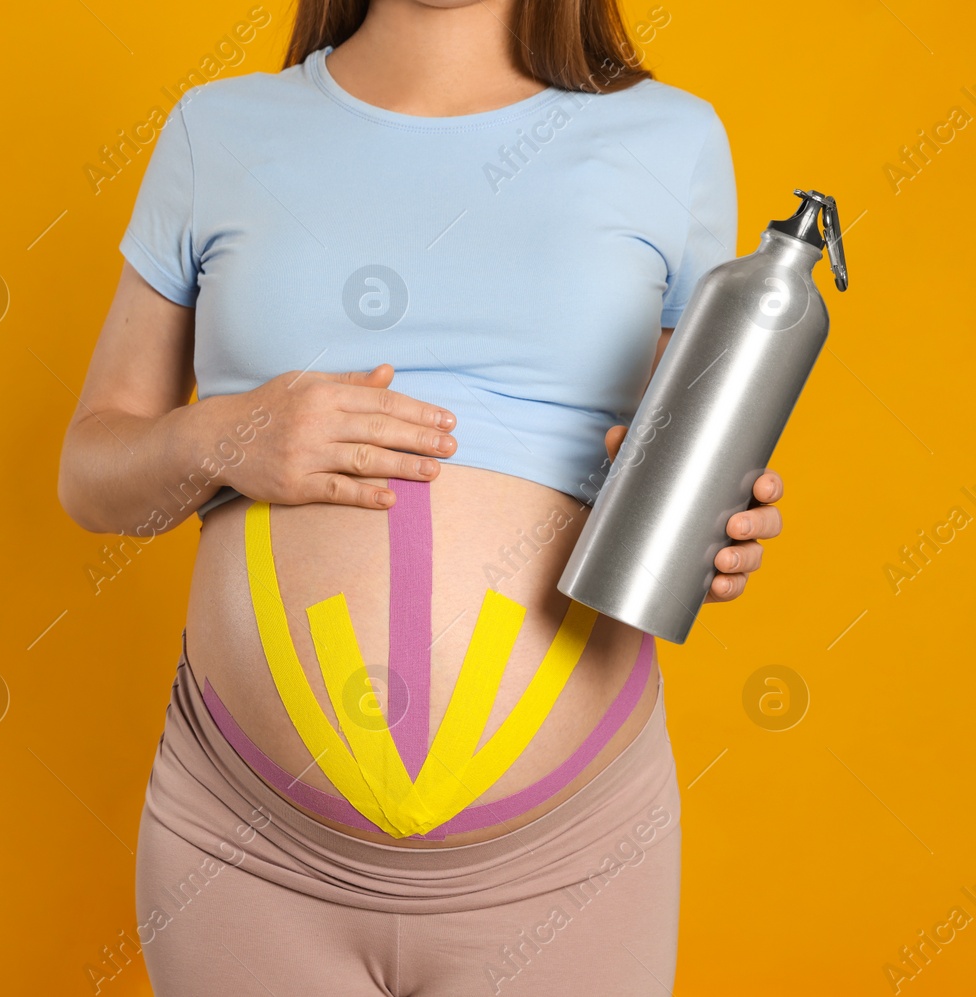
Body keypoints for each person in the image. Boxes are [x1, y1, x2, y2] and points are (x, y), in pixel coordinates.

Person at [57, 0, 783, 993]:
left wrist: (716, 528)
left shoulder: (670, 138)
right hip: (246, 848)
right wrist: (225, 435)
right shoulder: (217, 130)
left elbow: (674, 462)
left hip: (569, 856)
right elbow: (92, 474)